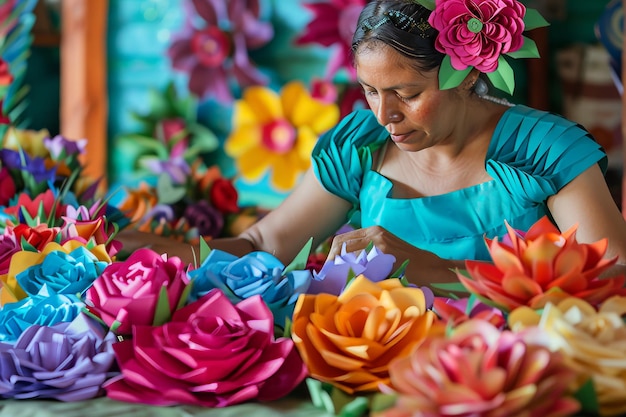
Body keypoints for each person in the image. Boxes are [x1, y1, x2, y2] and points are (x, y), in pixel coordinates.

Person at [117, 0, 626, 285]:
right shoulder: (358, 146)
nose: (384, 115)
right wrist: (150, 253)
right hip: (370, 361)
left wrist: (429, 267)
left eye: (407, 93)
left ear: (467, 75)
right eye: (369, 91)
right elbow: (263, 245)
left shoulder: (543, 150)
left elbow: (612, 276)